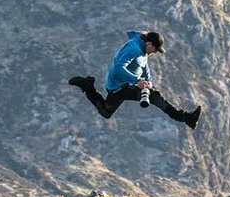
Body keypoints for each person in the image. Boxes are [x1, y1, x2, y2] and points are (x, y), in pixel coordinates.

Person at [69, 30, 202, 129]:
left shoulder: (143, 47)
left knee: (106, 112)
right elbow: (118, 69)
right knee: (155, 97)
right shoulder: (134, 49)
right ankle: (185, 117)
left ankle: (87, 87)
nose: (155, 52)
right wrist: (137, 81)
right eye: (155, 49)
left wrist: (148, 80)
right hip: (119, 87)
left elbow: (143, 64)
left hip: (121, 87)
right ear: (149, 44)